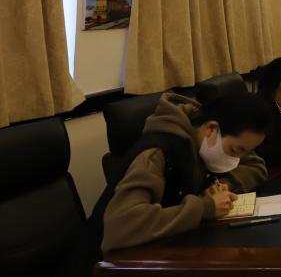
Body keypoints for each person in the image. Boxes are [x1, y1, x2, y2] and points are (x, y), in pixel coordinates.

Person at [96, 91, 270, 256]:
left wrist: (222, 184)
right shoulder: (157, 154)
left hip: (170, 247)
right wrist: (204, 208)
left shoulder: (204, 138)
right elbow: (121, 225)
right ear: (211, 129)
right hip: (113, 263)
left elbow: (256, 166)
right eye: (234, 151)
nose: (235, 160)